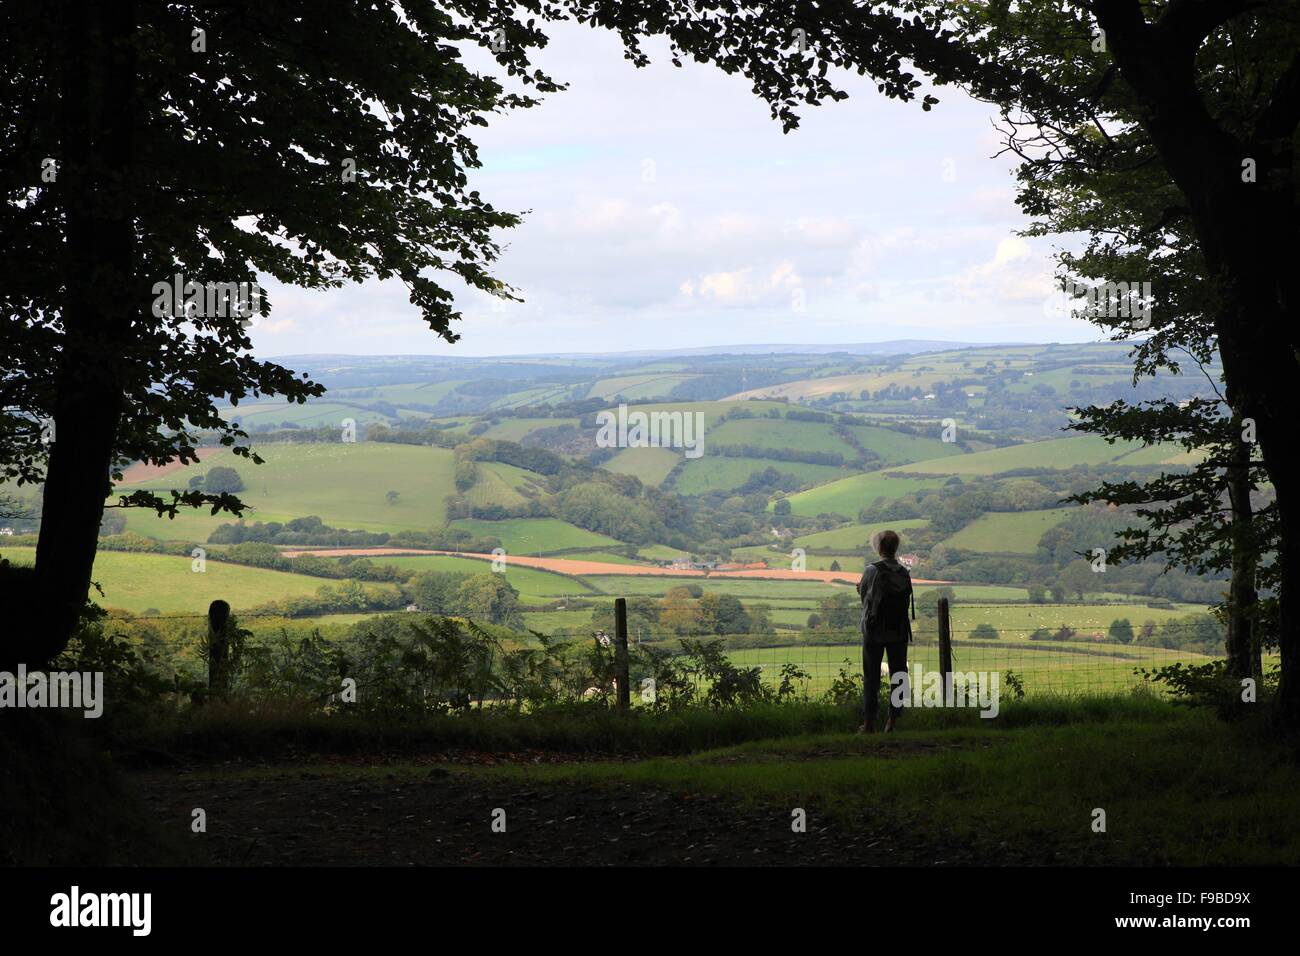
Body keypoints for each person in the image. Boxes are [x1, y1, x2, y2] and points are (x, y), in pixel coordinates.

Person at [856, 529, 913, 733]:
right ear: (895, 547)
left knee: (871, 676)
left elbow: (865, 598)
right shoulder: (903, 571)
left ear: (878, 547)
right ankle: (893, 722)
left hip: (874, 630)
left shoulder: (872, 570)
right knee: (899, 675)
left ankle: (869, 723)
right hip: (898, 630)